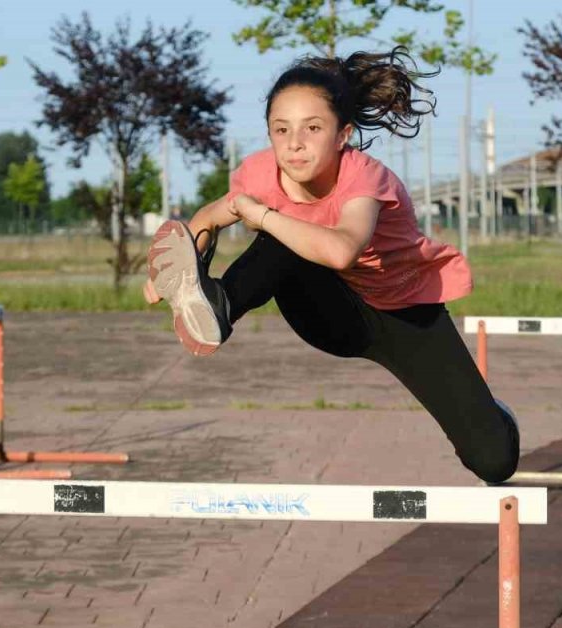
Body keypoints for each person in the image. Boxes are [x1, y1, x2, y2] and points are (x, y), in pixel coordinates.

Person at [143, 47, 519, 485]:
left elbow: (343, 250)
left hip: (408, 317)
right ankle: (220, 304)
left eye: (312, 128)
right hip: (332, 313)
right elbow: (207, 219)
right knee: (283, 240)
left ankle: (495, 419)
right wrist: (182, 274)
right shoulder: (260, 174)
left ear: (343, 135)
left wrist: (259, 214)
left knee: (493, 461)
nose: (294, 144)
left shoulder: (364, 177)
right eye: (280, 130)